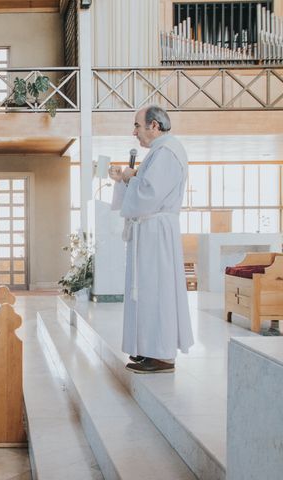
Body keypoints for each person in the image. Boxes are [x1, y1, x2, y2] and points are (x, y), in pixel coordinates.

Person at [109, 105, 194, 374]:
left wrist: (130, 178)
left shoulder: (167, 152)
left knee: (157, 291)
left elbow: (149, 194)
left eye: (137, 125)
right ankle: (149, 348)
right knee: (146, 290)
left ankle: (163, 353)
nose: (134, 132)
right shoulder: (159, 153)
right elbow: (143, 188)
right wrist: (126, 179)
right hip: (149, 232)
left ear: (154, 126)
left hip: (157, 233)